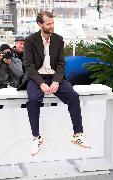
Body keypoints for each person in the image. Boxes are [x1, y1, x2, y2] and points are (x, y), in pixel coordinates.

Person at [22, 11, 91, 156]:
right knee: (33, 99)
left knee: (73, 96)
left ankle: (77, 134)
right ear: (40, 24)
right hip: (37, 77)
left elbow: (61, 64)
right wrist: (41, 83)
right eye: (48, 24)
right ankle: (36, 137)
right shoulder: (30, 41)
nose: (51, 26)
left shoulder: (58, 39)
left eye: (53, 23)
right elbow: (28, 66)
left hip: (55, 77)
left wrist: (56, 81)